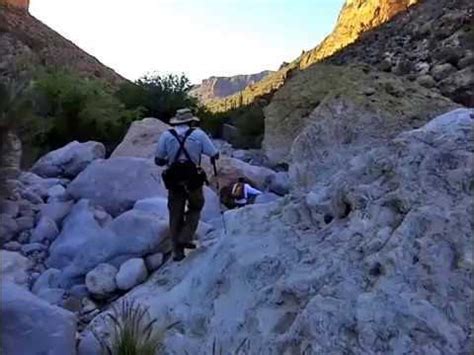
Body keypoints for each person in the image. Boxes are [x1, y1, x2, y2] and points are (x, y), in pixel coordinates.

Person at [155, 108, 219, 261]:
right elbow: (214, 153)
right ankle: (186, 236)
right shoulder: (199, 134)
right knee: (196, 206)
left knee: (175, 212)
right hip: (193, 178)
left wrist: (169, 158)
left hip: (174, 179)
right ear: (191, 121)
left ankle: (177, 252)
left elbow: (158, 160)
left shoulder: (166, 135)